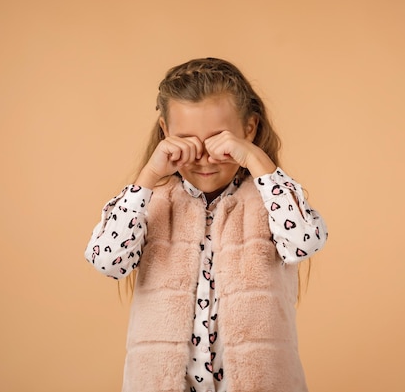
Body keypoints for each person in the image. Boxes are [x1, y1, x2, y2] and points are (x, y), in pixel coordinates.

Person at [84, 57, 328, 392]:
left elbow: (305, 240)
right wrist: (148, 178)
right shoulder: (149, 203)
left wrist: (256, 159)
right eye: (187, 139)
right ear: (165, 132)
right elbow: (107, 260)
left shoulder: (270, 201)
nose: (204, 156)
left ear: (249, 128)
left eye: (220, 139)